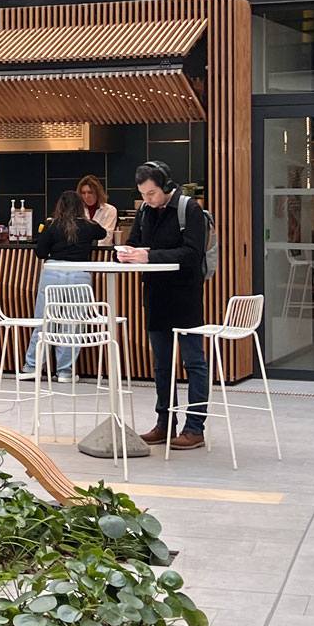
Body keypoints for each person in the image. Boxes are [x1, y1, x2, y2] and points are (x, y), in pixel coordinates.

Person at [115, 161, 208, 450]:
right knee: (162, 365)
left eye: (152, 193)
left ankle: (195, 428)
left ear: (166, 186)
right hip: (155, 295)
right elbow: (135, 241)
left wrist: (150, 256)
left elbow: (191, 253)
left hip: (185, 296)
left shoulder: (189, 209)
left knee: (193, 363)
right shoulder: (145, 211)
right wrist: (128, 252)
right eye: (143, 194)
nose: (148, 199)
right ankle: (165, 423)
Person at [21, 187, 107, 378]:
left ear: (59, 206)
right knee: (72, 324)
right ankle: (65, 372)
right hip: (79, 274)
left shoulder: (52, 225)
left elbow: (40, 252)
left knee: (44, 321)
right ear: (80, 206)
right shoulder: (89, 226)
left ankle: (32, 367)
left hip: (52, 274)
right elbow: (102, 233)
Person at [75, 173, 120, 244]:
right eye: (83, 193)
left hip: (102, 249)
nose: (86, 196)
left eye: (90, 192)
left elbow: (106, 237)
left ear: (98, 193)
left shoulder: (110, 210)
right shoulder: (77, 210)